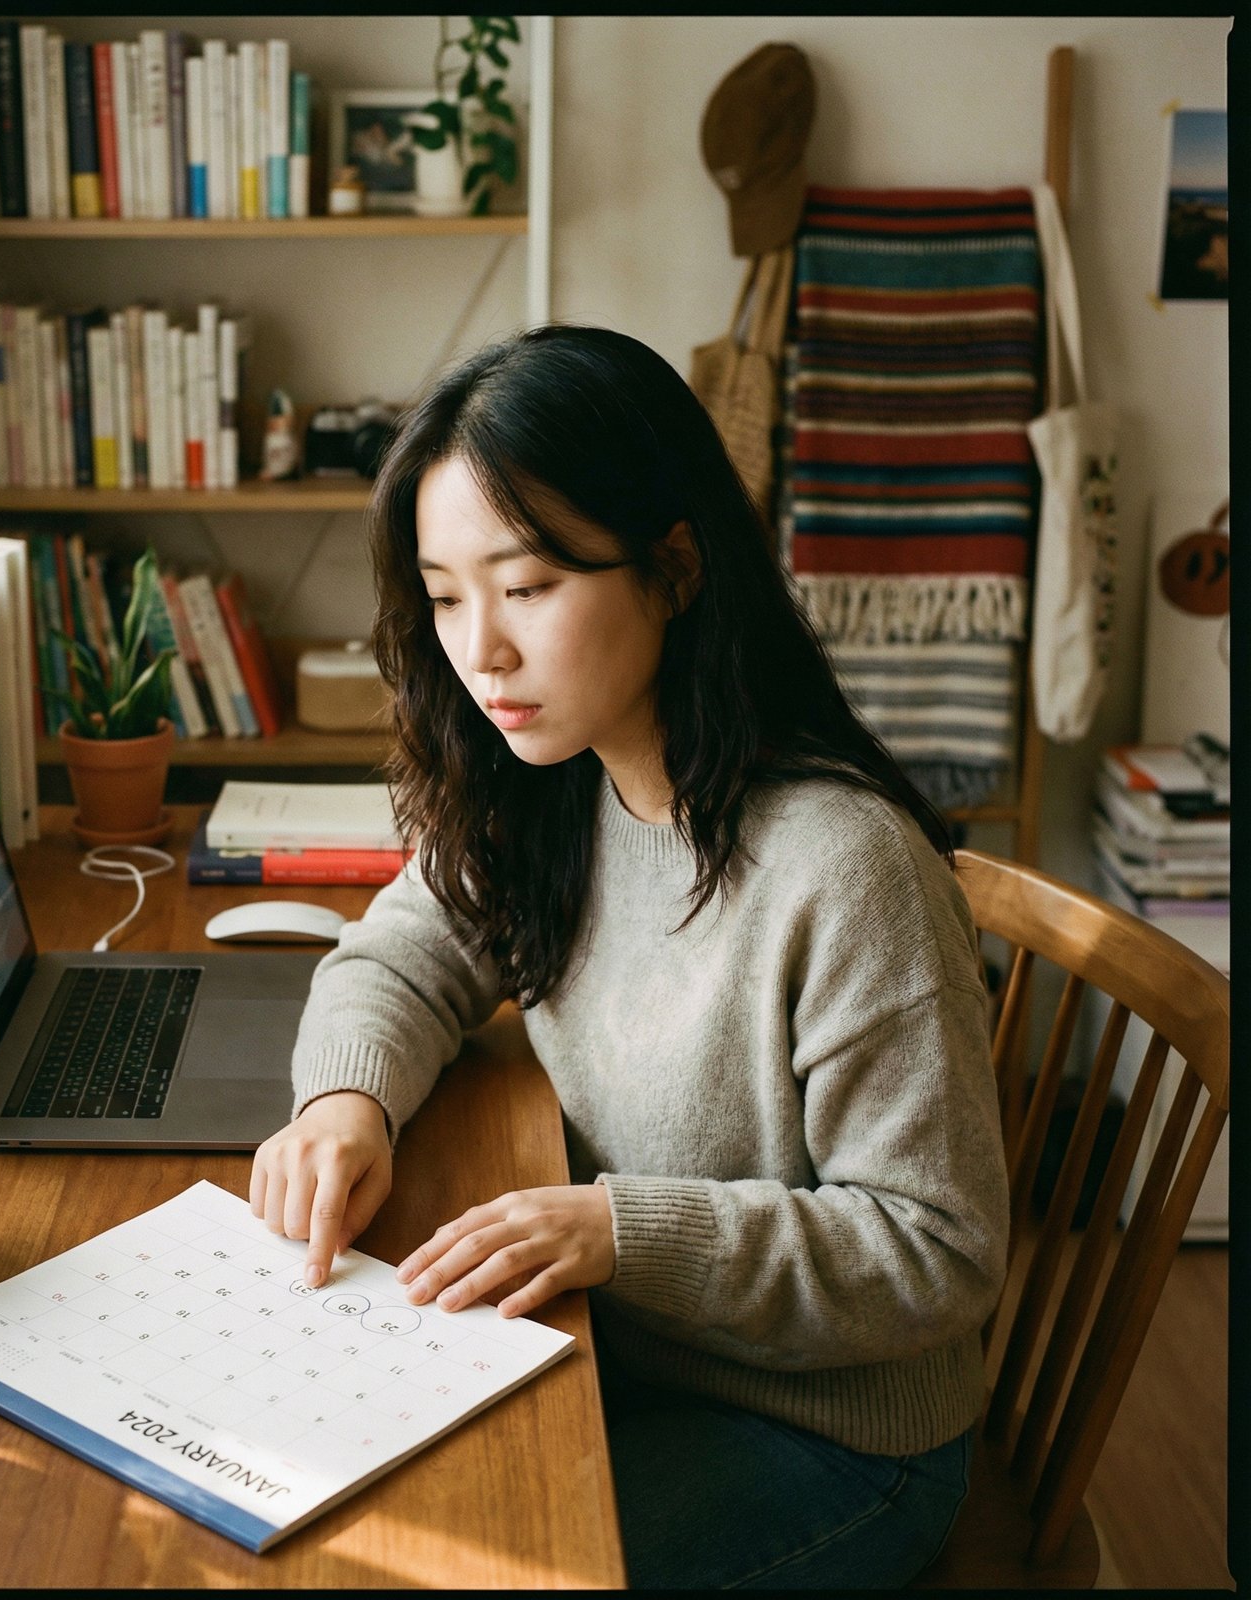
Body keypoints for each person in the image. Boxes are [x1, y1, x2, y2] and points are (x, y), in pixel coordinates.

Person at [249, 323, 1010, 1589]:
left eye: (528, 587)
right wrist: (345, 1099)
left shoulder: (842, 866)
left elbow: (935, 1251)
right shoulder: (559, 782)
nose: (480, 648)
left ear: (672, 569)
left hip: (833, 1440)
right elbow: (404, 947)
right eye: (444, 596)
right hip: (617, 1350)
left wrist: (619, 1233)